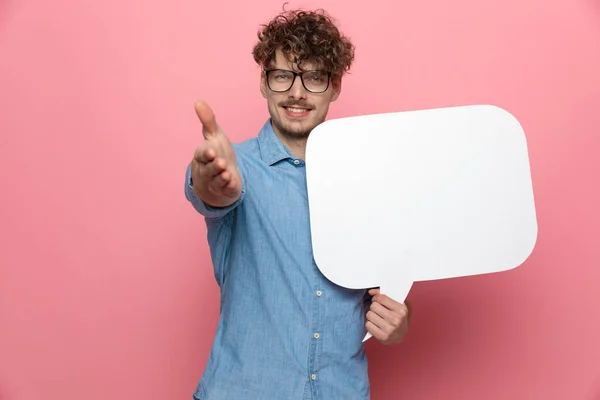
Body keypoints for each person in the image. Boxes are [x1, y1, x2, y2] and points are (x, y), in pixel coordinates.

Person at [184, 7, 412, 400]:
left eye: (314, 77)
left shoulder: (369, 182)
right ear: (265, 83)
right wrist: (211, 180)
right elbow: (211, 192)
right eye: (283, 75)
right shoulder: (237, 169)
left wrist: (398, 322)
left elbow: (385, 289)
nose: (296, 91)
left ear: (335, 85)